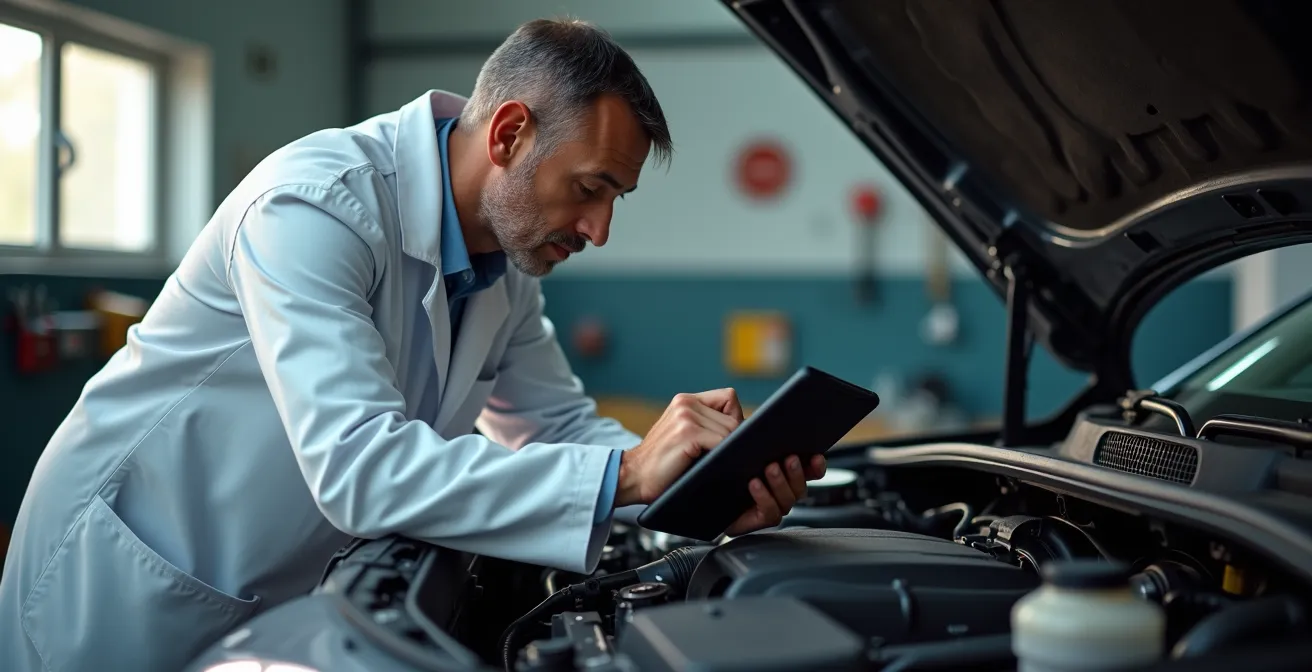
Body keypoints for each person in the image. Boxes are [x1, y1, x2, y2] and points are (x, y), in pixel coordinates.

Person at [0, 18, 826, 672]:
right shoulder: (314, 208)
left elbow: (556, 426)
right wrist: (629, 473)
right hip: (121, 579)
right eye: (590, 188)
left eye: (616, 199)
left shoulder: (505, 270)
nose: (599, 229)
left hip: (262, 587)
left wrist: (697, 484)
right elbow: (358, 468)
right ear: (509, 134)